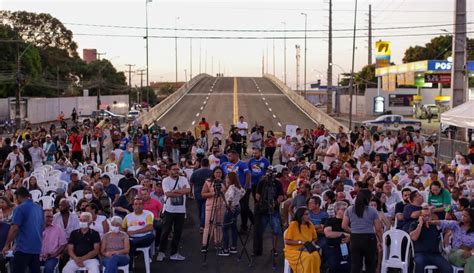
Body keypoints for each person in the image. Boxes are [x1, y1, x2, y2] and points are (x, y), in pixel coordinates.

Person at [2, 187, 44, 273]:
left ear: (19, 196)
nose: (15, 200)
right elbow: (42, 227)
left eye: (15, 197)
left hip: (23, 248)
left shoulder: (19, 208)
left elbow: (14, 228)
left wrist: (6, 245)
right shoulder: (39, 208)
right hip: (36, 248)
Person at [342, 189, 383, 273]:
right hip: (369, 238)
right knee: (370, 264)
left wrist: (353, 231)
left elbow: (344, 226)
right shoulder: (372, 210)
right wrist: (381, 240)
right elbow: (378, 228)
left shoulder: (350, 209)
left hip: (355, 238)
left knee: (355, 264)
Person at [157, 163, 191, 262]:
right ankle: (161, 252)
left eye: (177, 169)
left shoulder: (183, 179)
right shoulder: (165, 180)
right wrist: (181, 190)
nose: (176, 171)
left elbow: (188, 190)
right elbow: (168, 194)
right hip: (169, 210)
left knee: (178, 232)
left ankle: (174, 253)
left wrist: (176, 191)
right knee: (165, 232)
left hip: (181, 210)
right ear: (169, 171)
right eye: (174, 169)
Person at [409, 206, 453, 273]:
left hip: (435, 254)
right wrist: (420, 224)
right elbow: (414, 238)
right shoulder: (414, 224)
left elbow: (447, 224)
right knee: (419, 264)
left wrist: (447, 209)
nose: (427, 217)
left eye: (428, 215)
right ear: (420, 216)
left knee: (448, 269)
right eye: (424, 216)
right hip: (420, 253)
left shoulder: (435, 225)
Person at [429, 208, 474, 272]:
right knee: (464, 254)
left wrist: (471, 252)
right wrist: (427, 222)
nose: (462, 217)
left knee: (471, 260)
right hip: (455, 253)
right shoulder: (456, 225)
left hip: (470, 253)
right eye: (462, 215)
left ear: (471, 218)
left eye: (465, 216)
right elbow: (440, 222)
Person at [253, 168, 284, 257]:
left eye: (272, 173)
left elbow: (281, 196)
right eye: (268, 173)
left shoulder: (278, 183)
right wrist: (265, 203)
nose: (270, 175)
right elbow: (257, 196)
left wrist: (275, 203)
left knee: (276, 230)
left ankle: (274, 249)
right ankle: (258, 249)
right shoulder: (261, 183)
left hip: (274, 211)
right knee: (260, 230)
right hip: (263, 211)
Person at [221, 150, 252, 233]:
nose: (228, 157)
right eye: (228, 155)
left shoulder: (242, 164)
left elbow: (248, 174)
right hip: (232, 189)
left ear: (236, 155)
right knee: (233, 206)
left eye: (230, 155)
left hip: (242, 189)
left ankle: (244, 226)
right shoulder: (226, 164)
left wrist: (245, 187)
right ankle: (233, 224)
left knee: (243, 207)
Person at [284, 207, 321, 273]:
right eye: (306, 214)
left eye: (309, 214)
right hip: (293, 250)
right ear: (301, 215)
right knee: (308, 257)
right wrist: (301, 242)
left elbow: (315, 238)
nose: (309, 216)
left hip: (306, 248)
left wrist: (313, 243)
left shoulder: (310, 225)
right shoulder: (293, 224)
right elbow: (287, 241)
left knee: (316, 256)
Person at [121, 198, 154, 271]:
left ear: (143, 206)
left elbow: (150, 227)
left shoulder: (147, 215)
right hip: (131, 238)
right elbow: (122, 228)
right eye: (136, 204)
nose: (138, 206)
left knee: (151, 236)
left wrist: (135, 231)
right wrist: (126, 234)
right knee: (130, 242)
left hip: (144, 237)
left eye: (140, 204)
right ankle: (129, 267)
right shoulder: (128, 216)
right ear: (133, 206)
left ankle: (129, 269)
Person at [201, 167, 226, 254]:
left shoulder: (224, 182)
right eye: (216, 172)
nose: (218, 174)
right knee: (208, 225)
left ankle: (218, 242)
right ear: (213, 173)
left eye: (220, 172)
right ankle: (205, 244)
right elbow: (203, 194)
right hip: (210, 205)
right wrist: (212, 193)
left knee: (219, 225)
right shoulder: (208, 182)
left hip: (221, 205)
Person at [222, 171, 246, 256]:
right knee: (233, 227)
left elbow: (230, 196)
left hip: (231, 208)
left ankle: (225, 249)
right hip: (237, 207)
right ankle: (233, 247)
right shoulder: (238, 187)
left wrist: (229, 205)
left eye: (227, 178)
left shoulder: (231, 187)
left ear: (230, 178)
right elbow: (243, 192)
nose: (226, 179)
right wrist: (237, 200)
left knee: (225, 228)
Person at [324, 201, 351, 273]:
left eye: (347, 209)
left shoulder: (350, 221)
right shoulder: (330, 221)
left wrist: (350, 237)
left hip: (347, 246)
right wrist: (343, 233)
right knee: (334, 267)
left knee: (348, 266)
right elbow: (328, 234)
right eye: (344, 209)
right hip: (333, 246)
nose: (346, 211)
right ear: (337, 210)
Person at [190, 158, 213, 232]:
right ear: (208, 164)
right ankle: (204, 225)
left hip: (198, 193)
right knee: (207, 209)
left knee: (200, 209)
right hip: (209, 193)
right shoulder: (211, 172)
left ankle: (202, 225)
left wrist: (190, 192)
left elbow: (191, 183)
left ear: (201, 164)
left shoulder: (195, 172)